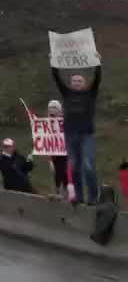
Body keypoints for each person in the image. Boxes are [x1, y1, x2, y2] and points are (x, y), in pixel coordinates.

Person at [52, 64, 102, 204]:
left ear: (84, 83)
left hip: (86, 134)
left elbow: (97, 79)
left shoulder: (90, 93)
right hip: (70, 135)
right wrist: (54, 64)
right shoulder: (67, 93)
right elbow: (57, 78)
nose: (77, 83)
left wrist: (98, 64)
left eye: (79, 81)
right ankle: (79, 197)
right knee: (74, 167)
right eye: (74, 81)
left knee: (87, 165)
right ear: (71, 83)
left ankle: (93, 196)